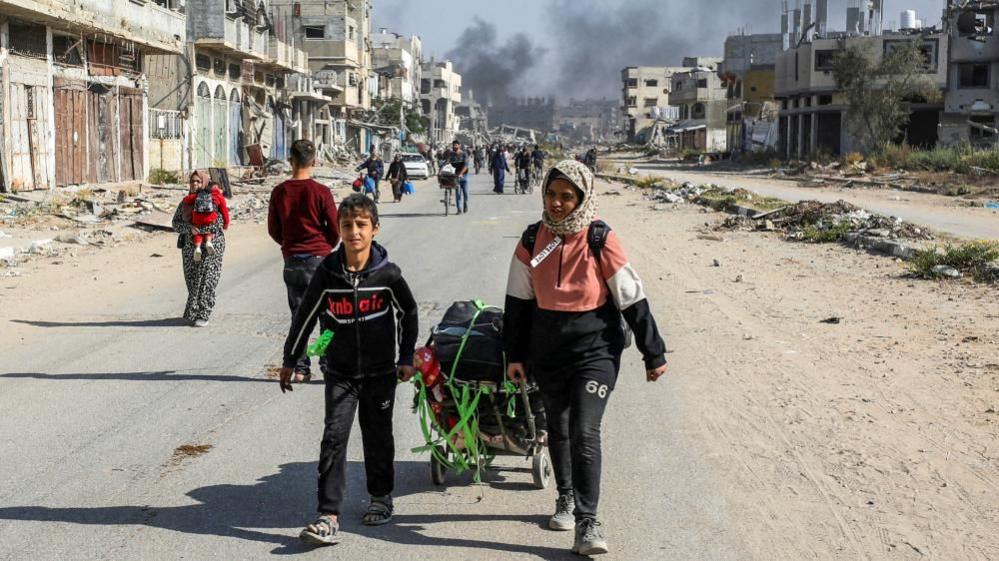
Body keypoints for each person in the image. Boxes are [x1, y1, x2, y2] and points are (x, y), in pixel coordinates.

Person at [503, 160, 668, 556]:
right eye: (551, 195)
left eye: (566, 196)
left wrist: (653, 352)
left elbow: (631, 297)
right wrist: (515, 355)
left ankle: (589, 522)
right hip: (548, 351)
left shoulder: (600, 237)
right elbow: (517, 303)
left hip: (596, 350)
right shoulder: (532, 239)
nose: (557, 203)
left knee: (584, 430)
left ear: (581, 198)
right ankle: (565, 497)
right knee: (557, 428)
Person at [280, 194, 419, 547]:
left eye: (361, 225)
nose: (354, 232)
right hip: (340, 372)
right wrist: (292, 359)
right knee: (333, 438)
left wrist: (405, 358)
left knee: (378, 436)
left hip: (380, 373)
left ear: (375, 228)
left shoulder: (388, 274)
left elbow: (409, 313)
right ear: (338, 229)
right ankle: (328, 514)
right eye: (346, 225)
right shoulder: (327, 272)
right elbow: (306, 317)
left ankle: (381, 497)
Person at [268, 139, 340, 383]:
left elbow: (273, 229)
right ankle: (328, 364)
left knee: (299, 318)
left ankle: (300, 368)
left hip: (293, 263)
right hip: (320, 261)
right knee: (327, 318)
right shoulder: (321, 192)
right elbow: (335, 230)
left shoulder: (279, 192)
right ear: (314, 161)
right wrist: (325, 248)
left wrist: (289, 247)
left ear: (290, 160)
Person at [172, 172, 229, 327]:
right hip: (190, 249)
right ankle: (195, 311)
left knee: (206, 280)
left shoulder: (213, 200)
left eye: (198, 181)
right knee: (192, 281)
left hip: (211, 246)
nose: (194, 184)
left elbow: (220, 222)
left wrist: (202, 229)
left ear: (204, 183)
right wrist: (189, 228)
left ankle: (204, 313)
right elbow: (175, 224)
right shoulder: (185, 203)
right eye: (192, 181)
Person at [181, 179, 229, 263]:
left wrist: (185, 199)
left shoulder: (200, 194)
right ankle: (208, 242)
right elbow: (225, 211)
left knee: (198, 233)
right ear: (219, 188)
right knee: (209, 231)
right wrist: (226, 223)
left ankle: (198, 247)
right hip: (210, 218)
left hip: (197, 219)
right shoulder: (219, 196)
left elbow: (187, 199)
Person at [446, 140, 470, 214]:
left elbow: (466, 165)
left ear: (459, 146)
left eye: (456, 145)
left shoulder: (464, 154)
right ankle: (459, 209)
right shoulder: (451, 154)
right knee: (458, 193)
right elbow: (446, 163)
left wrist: (461, 173)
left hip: (464, 176)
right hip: (455, 176)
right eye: (453, 145)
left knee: (465, 193)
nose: (454, 147)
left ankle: (465, 203)